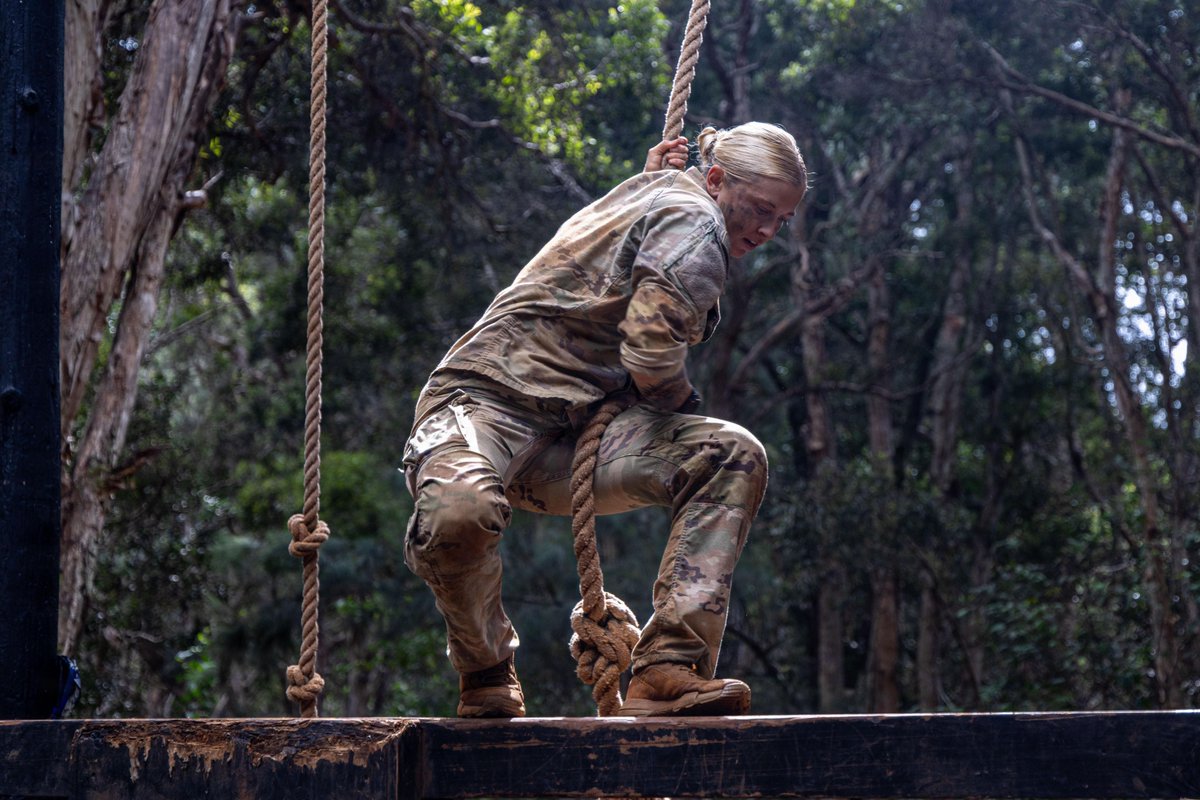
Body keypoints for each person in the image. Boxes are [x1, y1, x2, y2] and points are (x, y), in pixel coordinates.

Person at [401, 122, 807, 717]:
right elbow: (649, 347)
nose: (768, 230)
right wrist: (673, 400)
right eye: (760, 210)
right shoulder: (692, 214)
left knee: (729, 455)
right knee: (458, 514)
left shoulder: (658, 190)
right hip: (482, 405)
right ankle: (485, 668)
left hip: (570, 437)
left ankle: (669, 668)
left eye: (782, 221)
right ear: (716, 179)